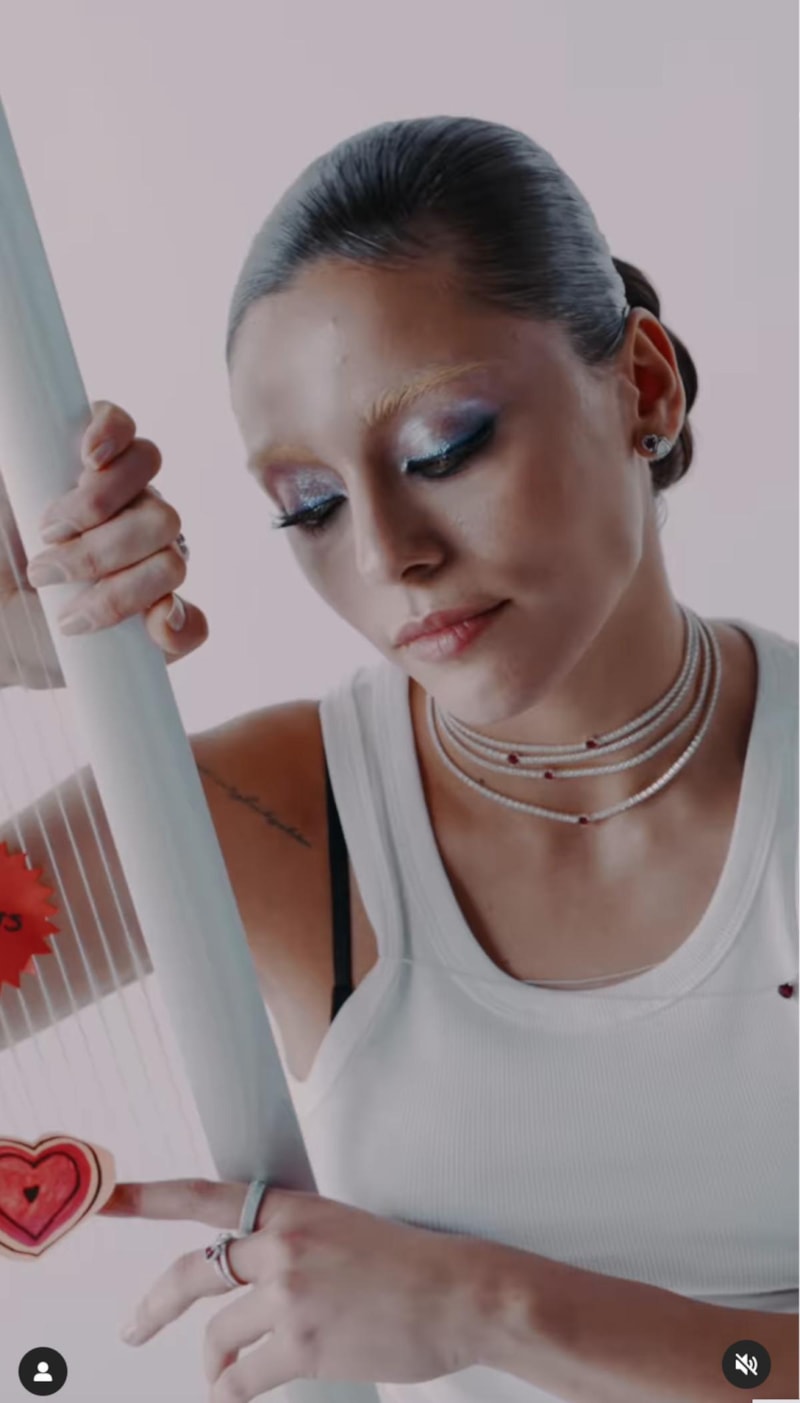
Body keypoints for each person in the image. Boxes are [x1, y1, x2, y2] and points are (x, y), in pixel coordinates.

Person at [0, 116, 797, 1400]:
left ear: (642, 386)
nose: (385, 553)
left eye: (443, 448)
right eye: (309, 507)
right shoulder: (275, 818)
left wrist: (485, 1305)